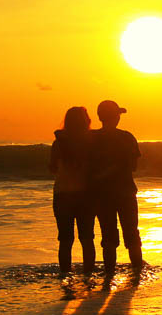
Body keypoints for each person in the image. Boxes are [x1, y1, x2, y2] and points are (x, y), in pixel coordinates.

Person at [89, 100, 144, 278]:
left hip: (101, 194)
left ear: (100, 117)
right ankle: (137, 272)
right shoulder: (127, 137)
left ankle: (109, 274)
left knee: (108, 236)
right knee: (131, 233)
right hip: (125, 192)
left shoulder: (91, 138)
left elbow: (85, 166)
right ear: (116, 117)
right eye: (118, 114)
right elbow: (133, 166)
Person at [50, 106, 96, 276]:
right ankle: (88, 275)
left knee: (65, 239)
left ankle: (65, 275)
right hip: (85, 194)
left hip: (62, 194)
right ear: (86, 121)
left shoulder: (59, 143)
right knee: (87, 238)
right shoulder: (91, 142)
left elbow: (52, 167)